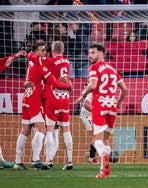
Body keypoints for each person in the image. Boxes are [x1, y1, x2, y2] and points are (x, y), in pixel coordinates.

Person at [13, 42, 71, 170]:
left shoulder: (32, 63)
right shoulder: (40, 64)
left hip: (26, 97)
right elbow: (54, 81)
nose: (45, 53)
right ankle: (35, 160)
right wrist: (69, 86)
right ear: (35, 52)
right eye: (42, 50)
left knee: (25, 130)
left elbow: (30, 78)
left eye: (45, 50)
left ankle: (18, 162)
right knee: (42, 129)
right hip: (34, 100)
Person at [77, 43, 127, 178]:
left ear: (101, 54)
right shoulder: (112, 69)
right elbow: (124, 89)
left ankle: (107, 154)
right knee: (105, 139)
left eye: (93, 52)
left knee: (96, 140)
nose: (90, 55)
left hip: (99, 104)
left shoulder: (94, 67)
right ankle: (104, 170)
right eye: (89, 53)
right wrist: (119, 103)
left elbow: (93, 85)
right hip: (111, 106)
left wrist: (83, 94)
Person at [42, 41, 73, 170]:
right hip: (64, 98)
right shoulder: (67, 62)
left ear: (52, 50)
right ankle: (70, 160)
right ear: (63, 50)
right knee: (66, 129)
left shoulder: (48, 61)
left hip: (53, 97)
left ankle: (48, 160)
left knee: (49, 129)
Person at [80, 86, 97, 164]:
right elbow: (86, 105)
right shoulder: (93, 92)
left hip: (93, 115)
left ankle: (90, 154)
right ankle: (91, 156)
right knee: (96, 136)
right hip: (87, 116)